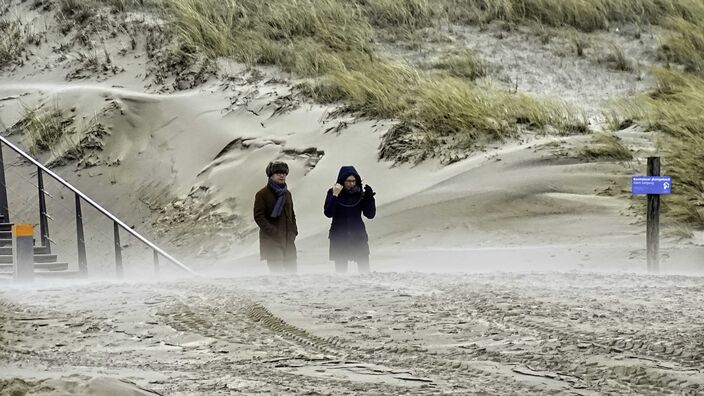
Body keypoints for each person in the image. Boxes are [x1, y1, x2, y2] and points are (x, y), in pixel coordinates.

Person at [324, 166, 376, 273]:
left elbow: (370, 214)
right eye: (348, 181)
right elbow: (328, 213)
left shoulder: (360, 195)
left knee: (364, 271)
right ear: (342, 181)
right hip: (339, 238)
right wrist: (334, 196)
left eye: (354, 181)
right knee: (341, 273)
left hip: (358, 236)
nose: (351, 184)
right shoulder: (332, 192)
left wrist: (370, 198)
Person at [253, 161, 298, 273]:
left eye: (284, 173)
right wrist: (273, 232)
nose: (282, 176)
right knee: (277, 275)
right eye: (278, 173)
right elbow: (259, 217)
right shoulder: (262, 194)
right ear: (271, 175)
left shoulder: (287, 194)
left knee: (292, 275)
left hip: (288, 239)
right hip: (272, 240)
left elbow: (292, 214)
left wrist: (294, 231)